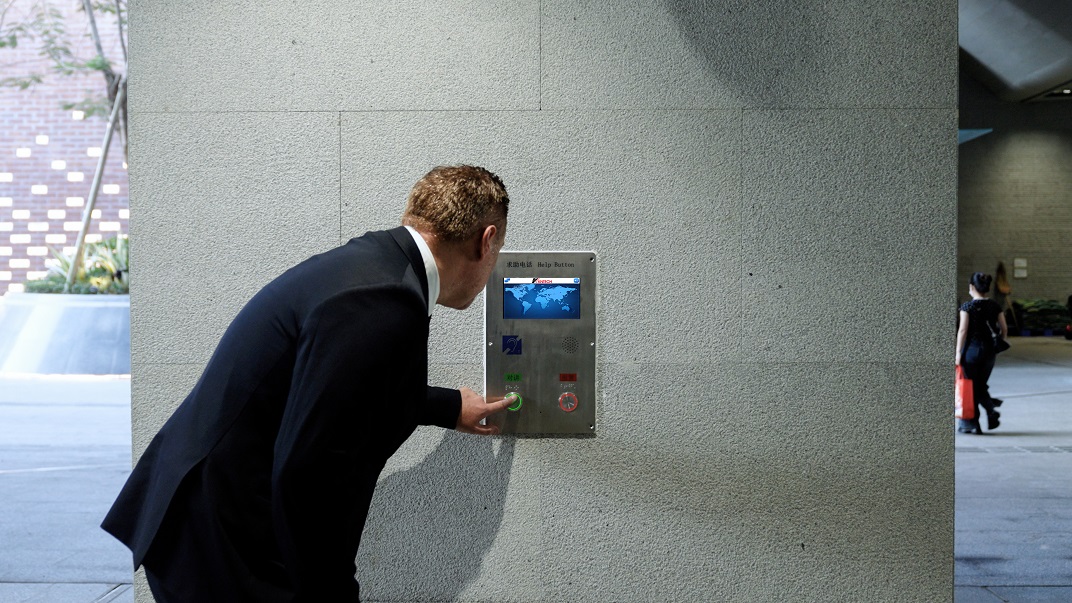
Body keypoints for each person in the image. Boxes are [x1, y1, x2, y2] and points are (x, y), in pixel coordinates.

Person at [102, 165, 517, 602]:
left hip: (208, 510)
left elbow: (347, 390)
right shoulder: (383, 301)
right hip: (224, 537)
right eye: (497, 253)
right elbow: (312, 474)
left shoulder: (377, 265)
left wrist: (450, 408)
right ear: (485, 240)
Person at [955, 272, 1008, 434]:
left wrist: (957, 353)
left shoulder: (967, 307)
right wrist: (996, 345)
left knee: (971, 387)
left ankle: (975, 422)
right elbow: (1003, 329)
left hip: (971, 351)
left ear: (972, 287)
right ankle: (989, 411)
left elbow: (963, 330)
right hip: (989, 353)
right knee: (979, 385)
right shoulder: (995, 306)